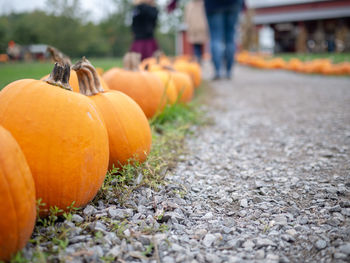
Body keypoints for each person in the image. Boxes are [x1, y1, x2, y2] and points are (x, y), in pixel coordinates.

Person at [204, 0, 243, 79]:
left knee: (215, 38)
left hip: (213, 5)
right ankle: (228, 72)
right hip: (233, 3)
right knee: (230, 38)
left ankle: (217, 71)